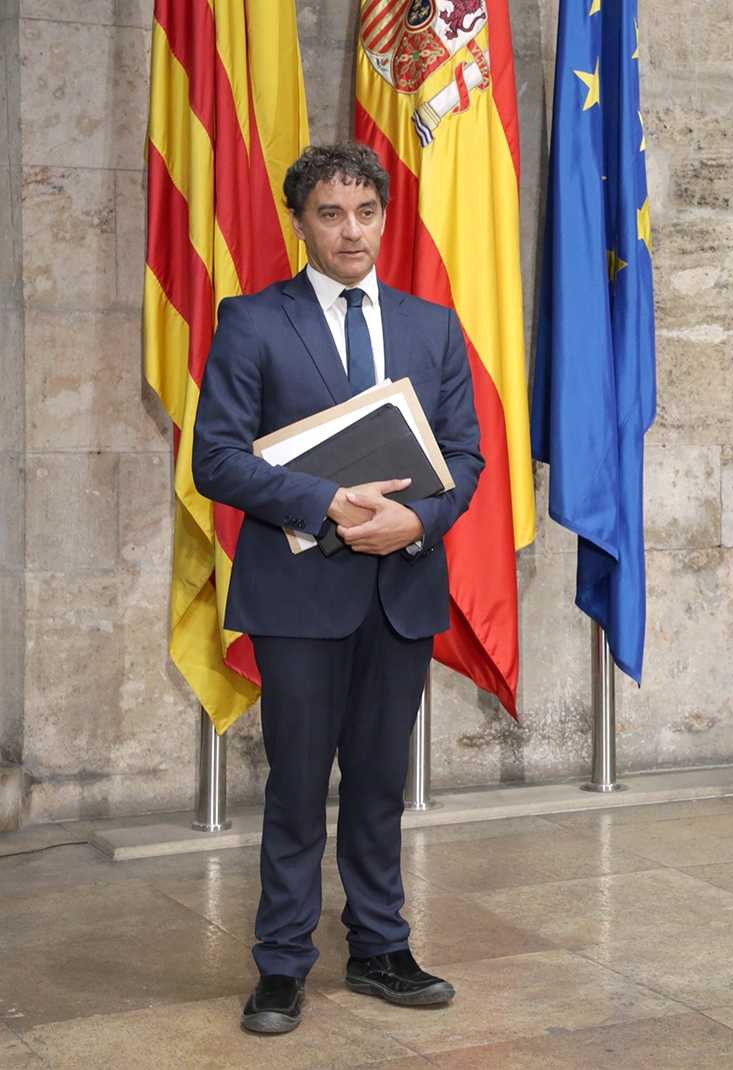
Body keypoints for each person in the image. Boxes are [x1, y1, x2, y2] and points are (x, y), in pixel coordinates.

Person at [192, 143, 483, 1035]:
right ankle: (281, 965)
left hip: (400, 587)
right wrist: (325, 502)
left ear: (383, 216)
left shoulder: (432, 326)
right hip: (298, 594)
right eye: (330, 213)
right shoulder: (252, 321)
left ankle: (381, 948)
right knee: (295, 786)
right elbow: (216, 457)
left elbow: (466, 456)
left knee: (379, 783)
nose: (350, 230)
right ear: (302, 221)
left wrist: (420, 524)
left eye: (364, 212)